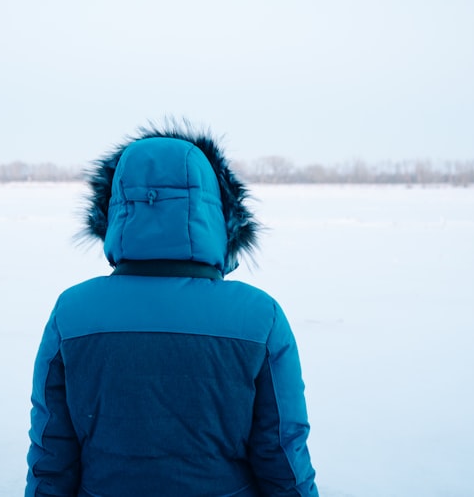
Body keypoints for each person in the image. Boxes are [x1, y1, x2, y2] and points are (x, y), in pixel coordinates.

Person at [26, 124, 318, 497]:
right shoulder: (260, 317)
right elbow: (283, 457)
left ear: (114, 209)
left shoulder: (73, 313)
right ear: (219, 212)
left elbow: (51, 458)